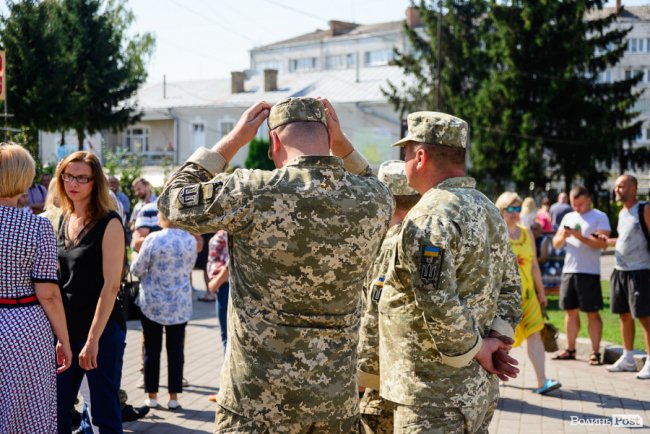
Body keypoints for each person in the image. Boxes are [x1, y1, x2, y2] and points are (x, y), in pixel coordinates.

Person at [158, 97, 393, 432]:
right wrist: (343, 146)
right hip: (332, 402)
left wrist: (232, 142)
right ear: (330, 138)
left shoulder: (252, 190)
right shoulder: (374, 199)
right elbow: (373, 181)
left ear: (274, 141)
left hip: (255, 402)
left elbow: (171, 202)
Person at [375, 112, 522, 432]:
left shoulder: (429, 215)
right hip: (477, 392)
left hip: (432, 397)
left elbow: (437, 298)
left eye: (406, 152)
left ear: (420, 156)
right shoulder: (488, 209)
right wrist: (496, 338)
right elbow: (511, 287)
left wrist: (480, 349)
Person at [0, 142, 72, 434]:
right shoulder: (38, 227)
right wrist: (64, 340)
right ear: (24, 179)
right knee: (28, 413)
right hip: (24, 326)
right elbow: (49, 294)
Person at [55, 151, 127, 433]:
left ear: (95, 183)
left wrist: (92, 340)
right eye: (69, 176)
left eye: (82, 178)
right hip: (67, 331)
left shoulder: (109, 222)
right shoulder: (63, 218)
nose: (73, 183)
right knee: (57, 408)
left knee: (103, 413)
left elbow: (110, 286)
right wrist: (61, 335)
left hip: (102, 331)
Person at [357, 160, 420, 434]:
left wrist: (363, 376)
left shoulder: (389, 243)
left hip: (386, 378)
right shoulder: (429, 237)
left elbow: (374, 310)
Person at [496, 192, 562, 395]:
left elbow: (534, 265)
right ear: (501, 210)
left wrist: (541, 293)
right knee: (502, 342)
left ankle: (542, 381)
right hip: (504, 299)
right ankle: (493, 381)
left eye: (518, 209)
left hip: (528, 296)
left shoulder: (526, 233)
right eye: (511, 209)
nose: (516, 213)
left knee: (535, 335)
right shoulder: (496, 234)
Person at [131, 211, 197, 410]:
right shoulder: (190, 239)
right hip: (180, 302)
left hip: (153, 301)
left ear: (164, 216)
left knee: (152, 349)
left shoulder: (153, 238)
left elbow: (137, 269)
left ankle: (152, 395)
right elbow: (189, 267)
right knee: (176, 350)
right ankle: (174, 397)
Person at [552, 185, 610, 365]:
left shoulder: (600, 217)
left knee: (592, 313)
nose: (577, 208)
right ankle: (570, 349)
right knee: (570, 311)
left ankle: (595, 352)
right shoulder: (568, 217)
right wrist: (564, 236)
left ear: (589, 199)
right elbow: (556, 244)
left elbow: (603, 244)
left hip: (589, 272)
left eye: (580, 204)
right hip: (569, 270)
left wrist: (579, 237)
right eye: (574, 204)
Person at [604, 175, 650, 379]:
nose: (617, 190)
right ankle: (628, 358)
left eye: (621, 186)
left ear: (633, 189)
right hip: (620, 270)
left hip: (640, 271)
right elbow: (627, 239)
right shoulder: (623, 213)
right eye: (615, 187)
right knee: (624, 315)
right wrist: (610, 240)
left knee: (645, 318)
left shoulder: (644, 209)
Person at [206, 229, 230, 402]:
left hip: (226, 286)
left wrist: (215, 283)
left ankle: (227, 389)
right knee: (227, 338)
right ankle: (227, 388)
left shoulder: (228, 232)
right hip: (225, 287)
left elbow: (231, 261)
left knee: (227, 339)